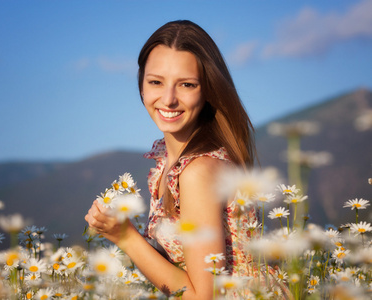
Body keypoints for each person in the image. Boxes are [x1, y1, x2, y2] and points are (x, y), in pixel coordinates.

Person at [85, 20, 258, 299]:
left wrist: (126, 237)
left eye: (186, 85)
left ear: (207, 91)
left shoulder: (198, 171)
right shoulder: (171, 164)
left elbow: (204, 296)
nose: (168, 99)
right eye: (156, 82)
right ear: (141, 85)